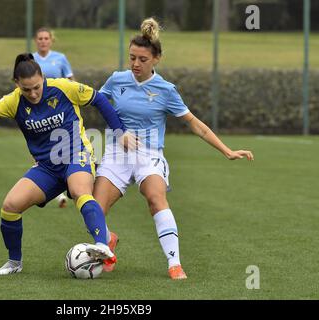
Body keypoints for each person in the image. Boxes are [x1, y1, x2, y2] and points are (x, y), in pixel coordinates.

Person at [93, 18, 254, 280]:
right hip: (116, 153)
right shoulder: (116, 79)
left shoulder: (166, 90)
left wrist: (227, 150)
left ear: (157, 59)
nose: (135, 64)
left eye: (142, 59)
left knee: (156, 198)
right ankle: (108, 239)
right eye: (132, 57)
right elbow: (99, 104)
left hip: (149, 155)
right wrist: (120, 132)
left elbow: (196, 125)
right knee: (94, 211)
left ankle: (174, 264)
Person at [0, 53, 137, 275]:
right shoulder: (14, 101)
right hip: (47, 167)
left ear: (43, 77)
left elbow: (98, 99)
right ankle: (14, 263)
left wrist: (120, 132)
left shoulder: (63, 88)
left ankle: (102, 245)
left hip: (76, 155)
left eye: (37, 87)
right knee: (10, 206)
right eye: (26, 89)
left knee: (80, 191)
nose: (32, 93)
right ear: (17, 84)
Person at [33, 27, 74, 208]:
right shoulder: (30, 59)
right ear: (36, 41)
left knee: (62, 145)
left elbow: (71, 81)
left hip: (59, 111)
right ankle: (57, 189)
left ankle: (68, 182)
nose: (43, 41)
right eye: (40, 38)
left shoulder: (60, 58)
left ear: (51, 40)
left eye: (46, 38)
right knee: (41, 145)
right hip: (38, 111)